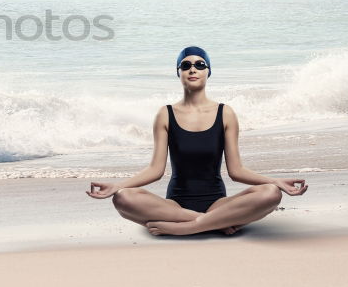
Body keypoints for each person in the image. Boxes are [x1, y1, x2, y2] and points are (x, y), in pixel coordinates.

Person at [86, 46, 308, 236]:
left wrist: (276, 181)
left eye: (200, 64)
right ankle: (214, 223)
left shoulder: (225, 113)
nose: (193, 69)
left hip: (218, 204)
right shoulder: (165, 114)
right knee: (123, 199)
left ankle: (188, 228)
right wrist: (117, 186)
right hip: (173, 206)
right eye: (186, 65)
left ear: (209, 72)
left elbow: (237, 171)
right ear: (179, 73)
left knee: (271, 193)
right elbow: (155, 170)